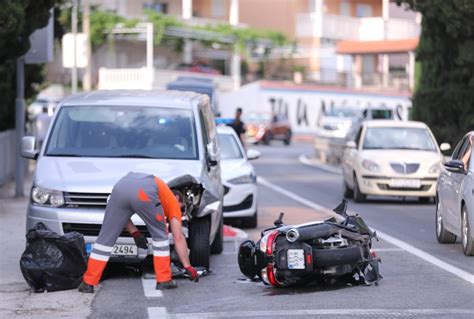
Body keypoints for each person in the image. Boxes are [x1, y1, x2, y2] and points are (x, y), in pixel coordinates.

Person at [78, 172, 199, 293]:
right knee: (161, 237)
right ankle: (164, 280)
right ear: (177, 198)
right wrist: (188, 266)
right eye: (182, 208)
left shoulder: (157, 188)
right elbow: (178, 237)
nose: (182, 213)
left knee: (104, 241)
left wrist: (134, 232)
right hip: (144, 190)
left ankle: (88, 283)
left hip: (120, 187)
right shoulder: (172, 201)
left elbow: (122, 215)